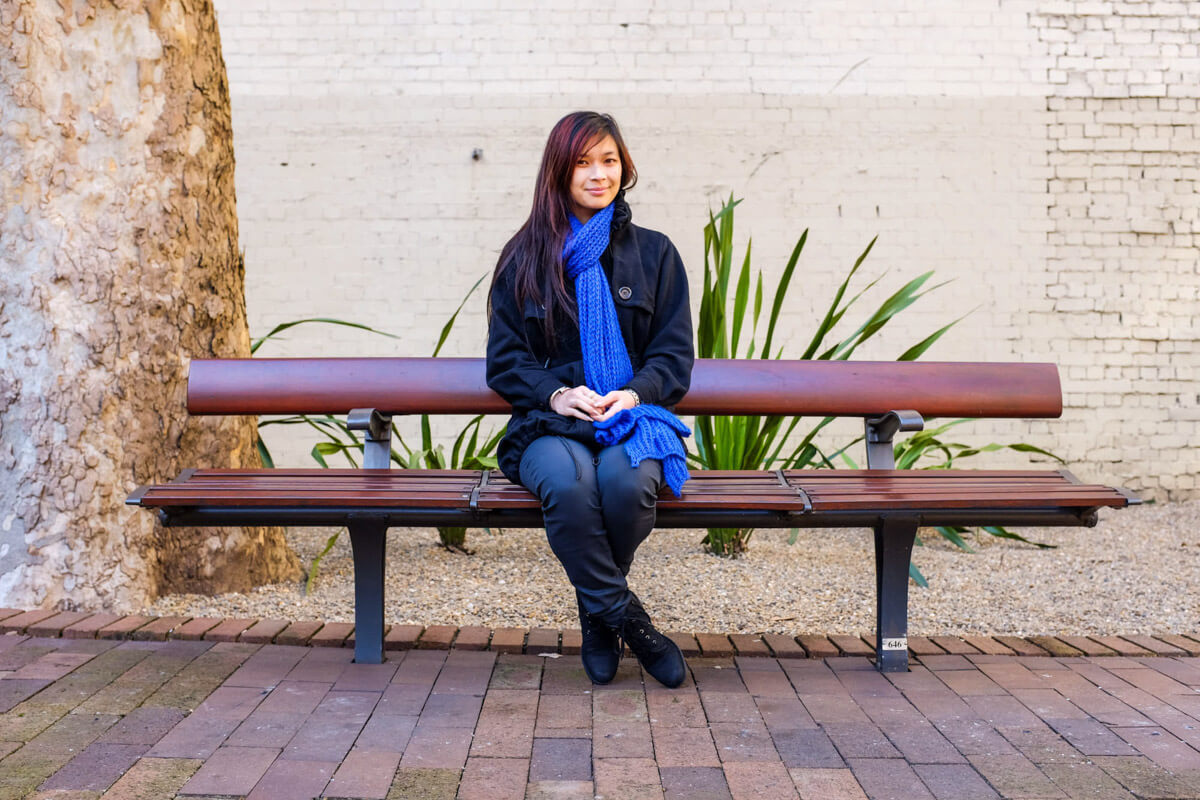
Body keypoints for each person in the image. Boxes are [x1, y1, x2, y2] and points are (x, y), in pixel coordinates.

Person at [485, 111, 694, 688]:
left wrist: (632, 394)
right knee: (570, 486)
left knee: (627, 487)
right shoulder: (524, 256)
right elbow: (505, 362)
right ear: (559, 170)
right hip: (548, 426)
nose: (598, 174)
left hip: (633, 418)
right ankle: (631, 622)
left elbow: (673, 359)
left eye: (609, 160)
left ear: (624, 167)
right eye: (583, 162)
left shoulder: (655, 254)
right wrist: (555, 394)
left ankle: (597, 617)